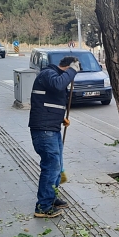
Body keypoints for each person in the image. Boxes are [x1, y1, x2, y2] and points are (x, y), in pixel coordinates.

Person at [28, 56, 80, 218]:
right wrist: (73, 70)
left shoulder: (53, 77)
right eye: (71, 72)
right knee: (51, 166)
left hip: (52, 127)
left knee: (57, 165)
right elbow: (58, 85)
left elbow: (50, 101)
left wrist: (61, 118)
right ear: (66, 66)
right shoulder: (47, 74)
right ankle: (43, 206)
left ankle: (51, 197)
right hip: (44, 130)